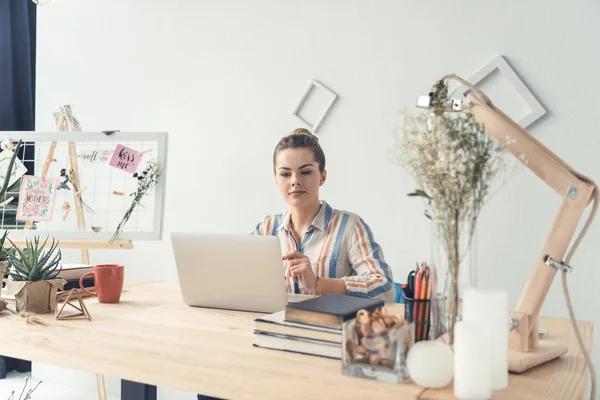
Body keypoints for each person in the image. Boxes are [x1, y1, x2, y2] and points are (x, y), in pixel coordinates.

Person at [252, 128, 395, 302]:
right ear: (276, 179)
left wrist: (317, 283)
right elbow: (239, 277)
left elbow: (385, 287)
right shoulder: (266, 228)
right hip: (273, 326)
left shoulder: (350, 227)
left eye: (305, 172)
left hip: (330, 328)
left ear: (322, 176)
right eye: (285, 174)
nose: (295, 180)